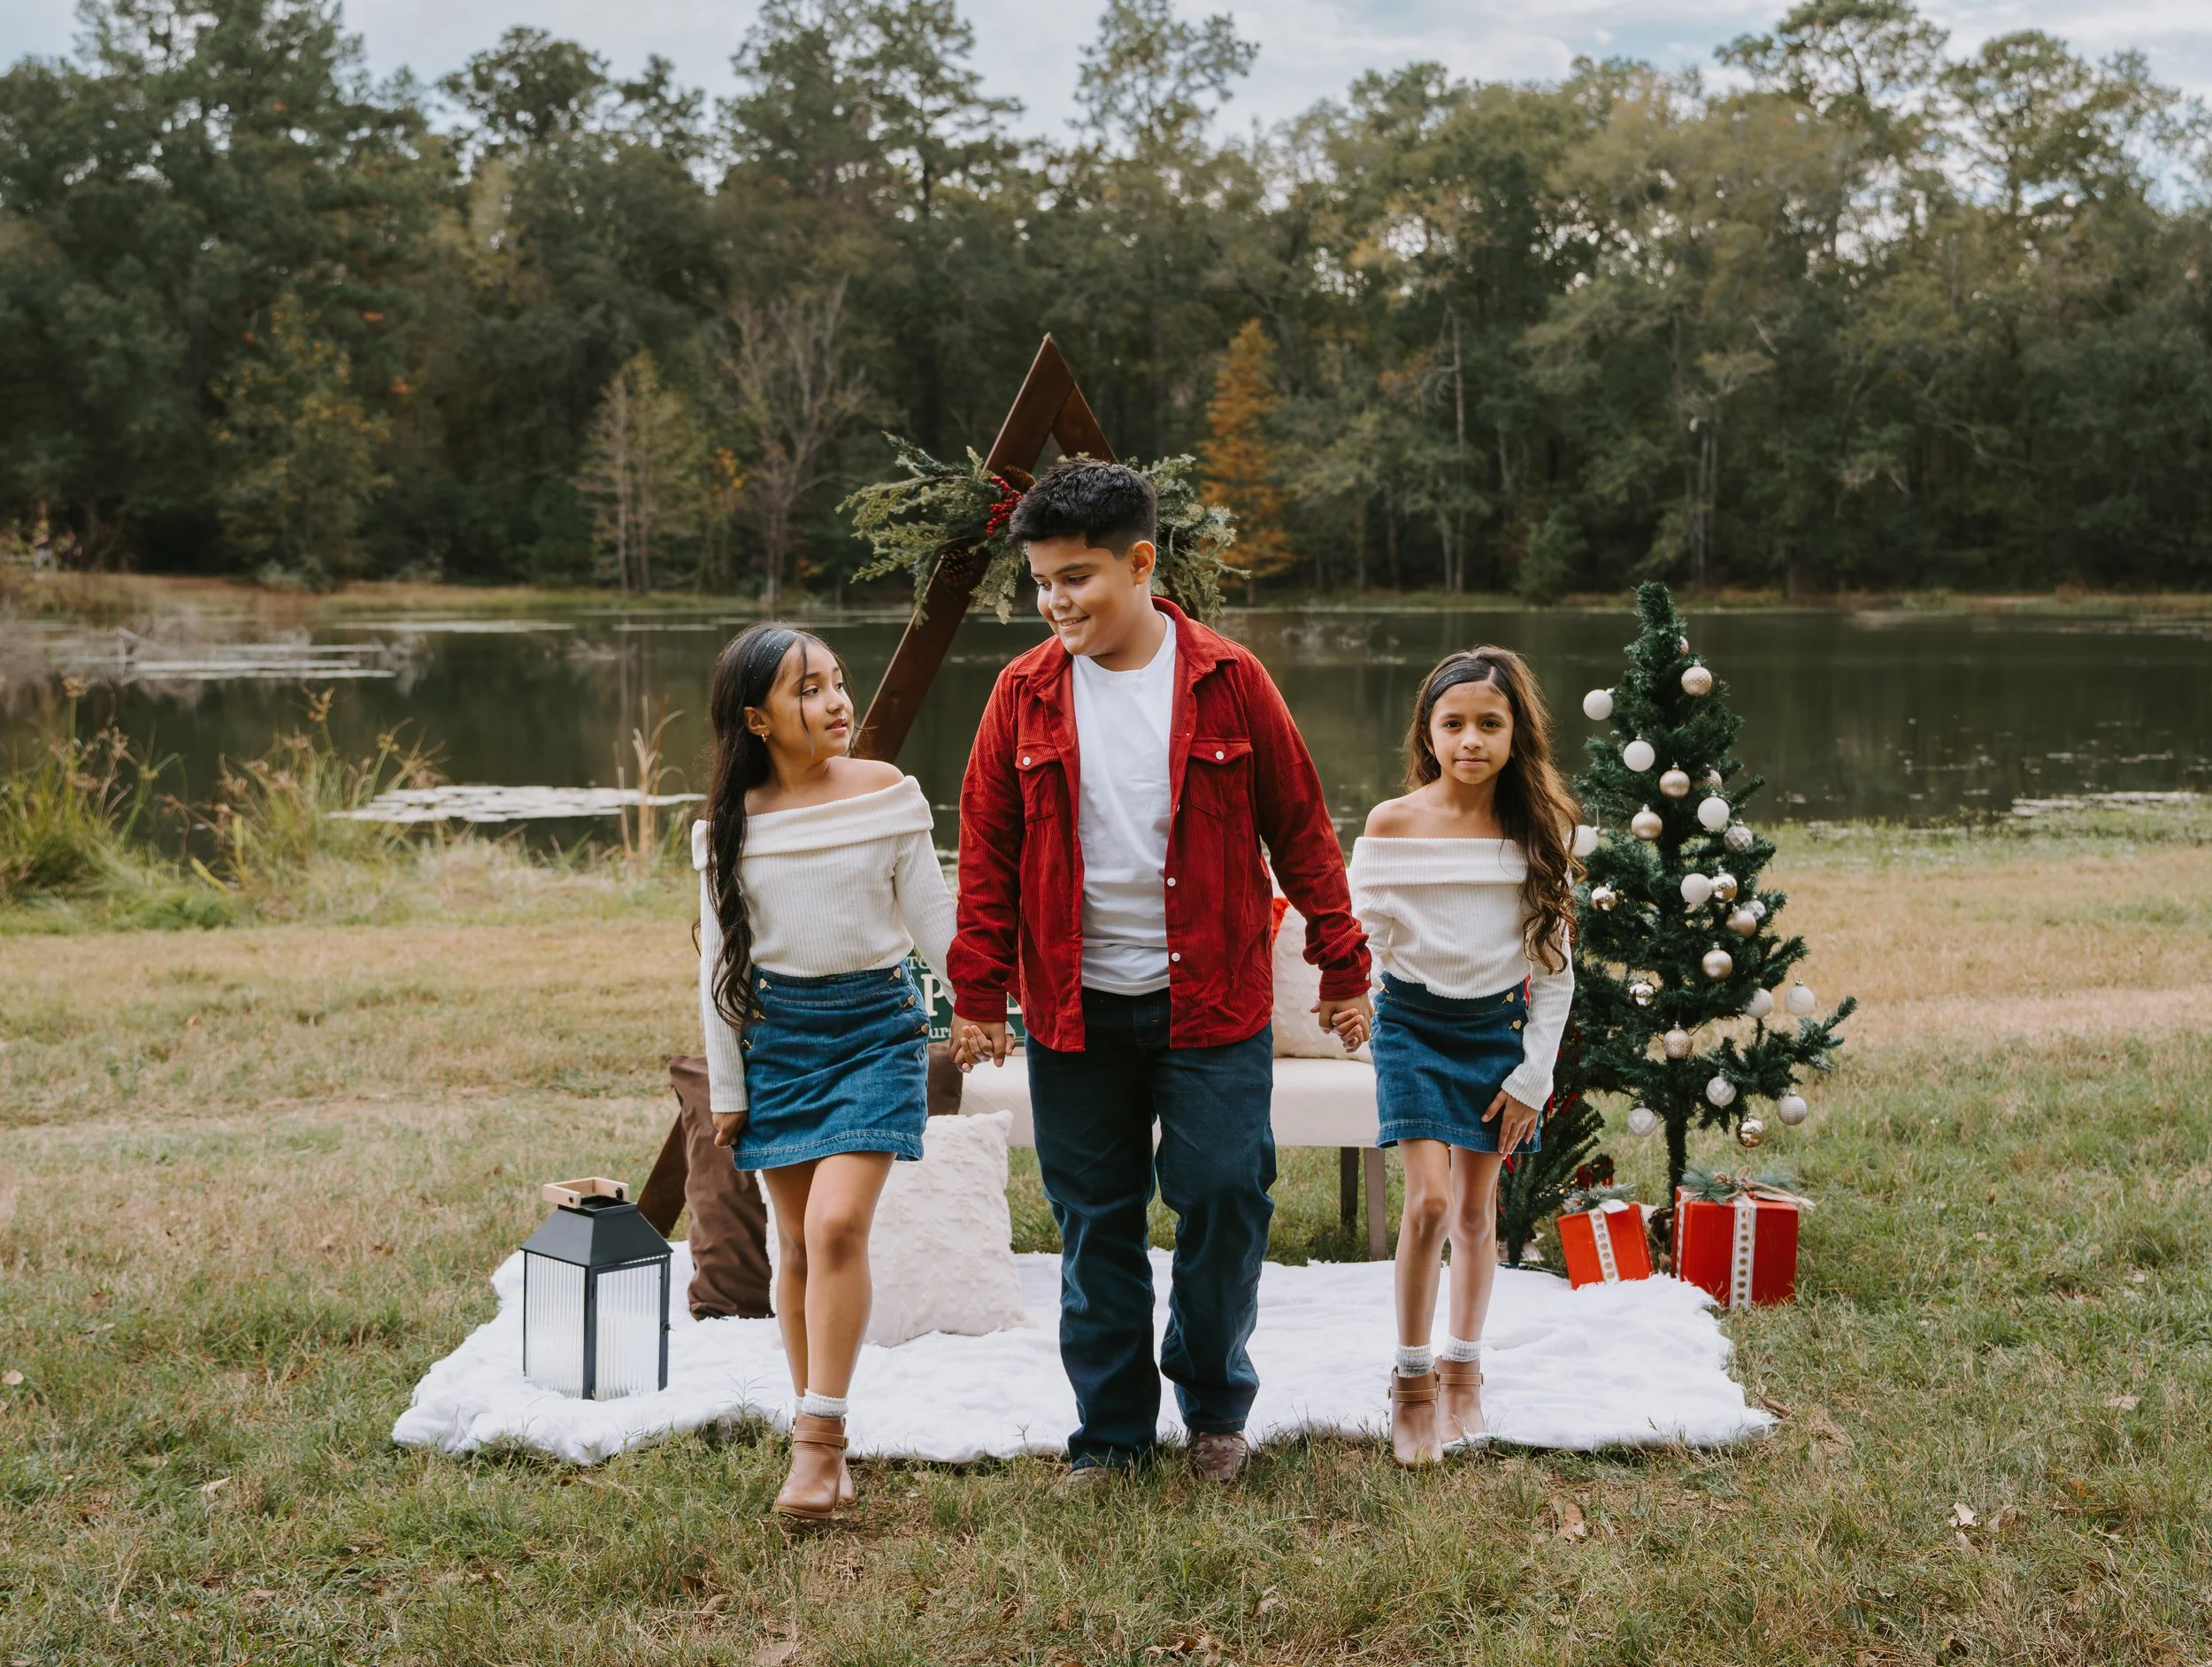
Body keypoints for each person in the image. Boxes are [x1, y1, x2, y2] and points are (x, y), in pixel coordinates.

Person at [948, 457, 1371, 1487]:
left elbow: (1302, 829)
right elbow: (986, 853)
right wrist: (976, 993)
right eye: (1042, 582)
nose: (1056, 602)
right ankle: (1112, 1435)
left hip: (1213, 1004)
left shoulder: (1231, 680)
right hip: (1072, 1012)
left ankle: (1215, 1407)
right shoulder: (1021, 694)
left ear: (1141, 564)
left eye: (1078, 577)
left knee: (1228, 1194)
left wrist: (1341, 961)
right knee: (1095, 1226)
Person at [694, 622, 956, 1519]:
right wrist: (728, 1089)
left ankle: (818, 1442)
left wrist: (987, 1010)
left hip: (876, 1032)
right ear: (757, 719)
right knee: (797, 1243)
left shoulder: (886, 792)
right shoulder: (727, 828)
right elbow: (716, 974)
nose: (837, 701)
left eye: (837, 682)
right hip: (779, 1044)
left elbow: (935, 922)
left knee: (840, 1226)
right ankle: (818, 1428)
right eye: (809, 689)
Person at [1350, 648, 1579, 1465]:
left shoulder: (1537, 835)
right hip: (1411, 1028)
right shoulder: (1393, 824)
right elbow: (1363, 938)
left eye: (1490, 723)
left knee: (1478, 1215)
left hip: (1497, 1038)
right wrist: (1354, 1008)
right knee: (1430, 1206)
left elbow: (1553, 975)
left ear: (1517, 735)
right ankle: (1411, 1381)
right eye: (1454, 724)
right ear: (1429, 732)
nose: (1471, 740)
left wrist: (1531, 1079)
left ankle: (1463, 1370)